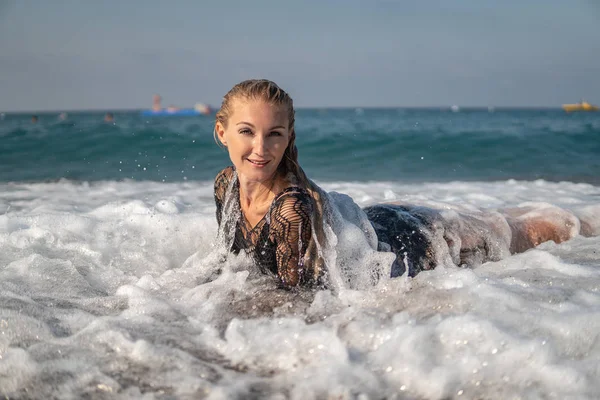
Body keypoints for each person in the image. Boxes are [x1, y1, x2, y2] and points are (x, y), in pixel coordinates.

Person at [213, 79, 591, 289]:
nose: (260, 148)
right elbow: (235, 261)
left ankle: (585, 224)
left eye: (274, 134)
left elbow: (297, 299)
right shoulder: (225, 186)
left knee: (516, 235)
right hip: (367, 230)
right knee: (499, 228)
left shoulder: (291, 208)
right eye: (247, 131)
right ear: (222, 132)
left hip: (407, 245)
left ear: (289, 136)